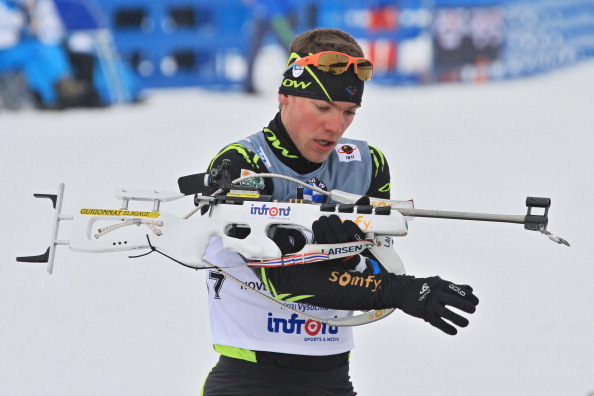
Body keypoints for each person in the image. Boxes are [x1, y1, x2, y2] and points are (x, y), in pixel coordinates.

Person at [199, 28, 479, 395]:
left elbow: (377, 264)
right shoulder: (243, 163)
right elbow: (283, 281)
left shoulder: (366, 164)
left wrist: (347, 260)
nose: (336, 126)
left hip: (331, 378)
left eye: (349, 111)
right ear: (285, 96)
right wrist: (403, 291)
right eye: (322, 107)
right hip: (249, 377)